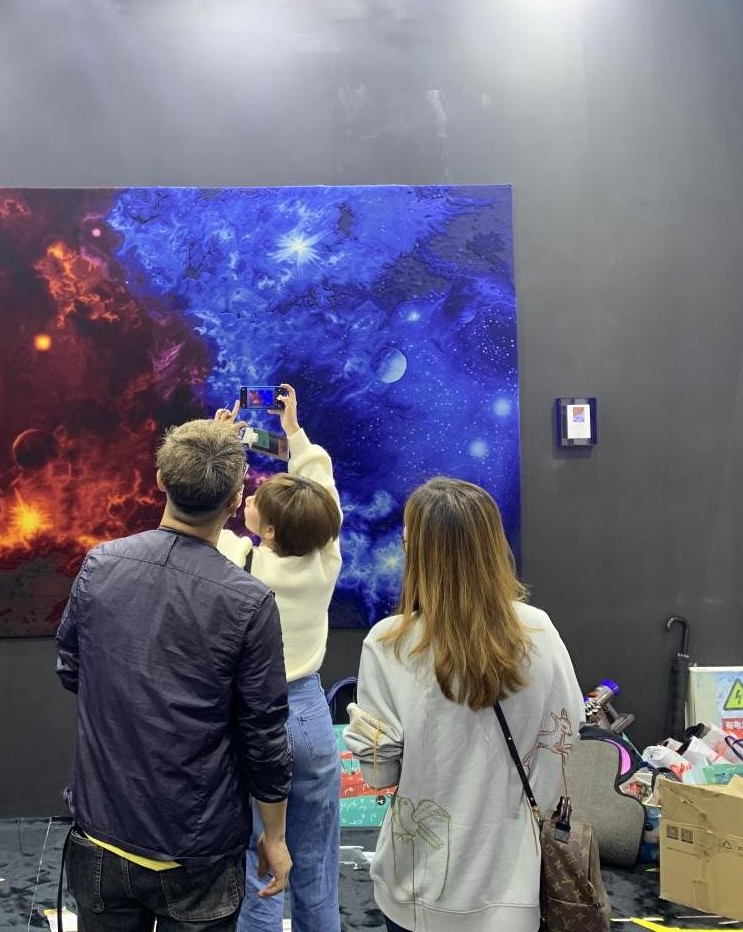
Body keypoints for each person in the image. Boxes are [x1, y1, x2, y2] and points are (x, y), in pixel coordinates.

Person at [56, 418, 293, 932]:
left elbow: (70, 669)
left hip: (102, 834)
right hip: (198, 851)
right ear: (235, 502)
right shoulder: (248, 602)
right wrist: (274, 836)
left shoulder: (100, 565)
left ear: (161, 479)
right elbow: (263, 735)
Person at [344, 477, 584, 932]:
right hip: (513, 882)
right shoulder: (538, 630)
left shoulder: (389, 643)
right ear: (492, 544)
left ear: (417, 551)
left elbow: (380, 775)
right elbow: (565, 737)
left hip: (418, 886)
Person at [213, 385, 343, 932]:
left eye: (256, 501)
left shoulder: (237, 560)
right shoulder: (325, 558)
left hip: (252, 717)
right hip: (309, 717)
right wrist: (293, 433)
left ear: (266, 531)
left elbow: (200, 511)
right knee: (316, 861)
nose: (249, 497)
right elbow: (322, 491)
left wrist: (221, 445)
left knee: (257, 862)